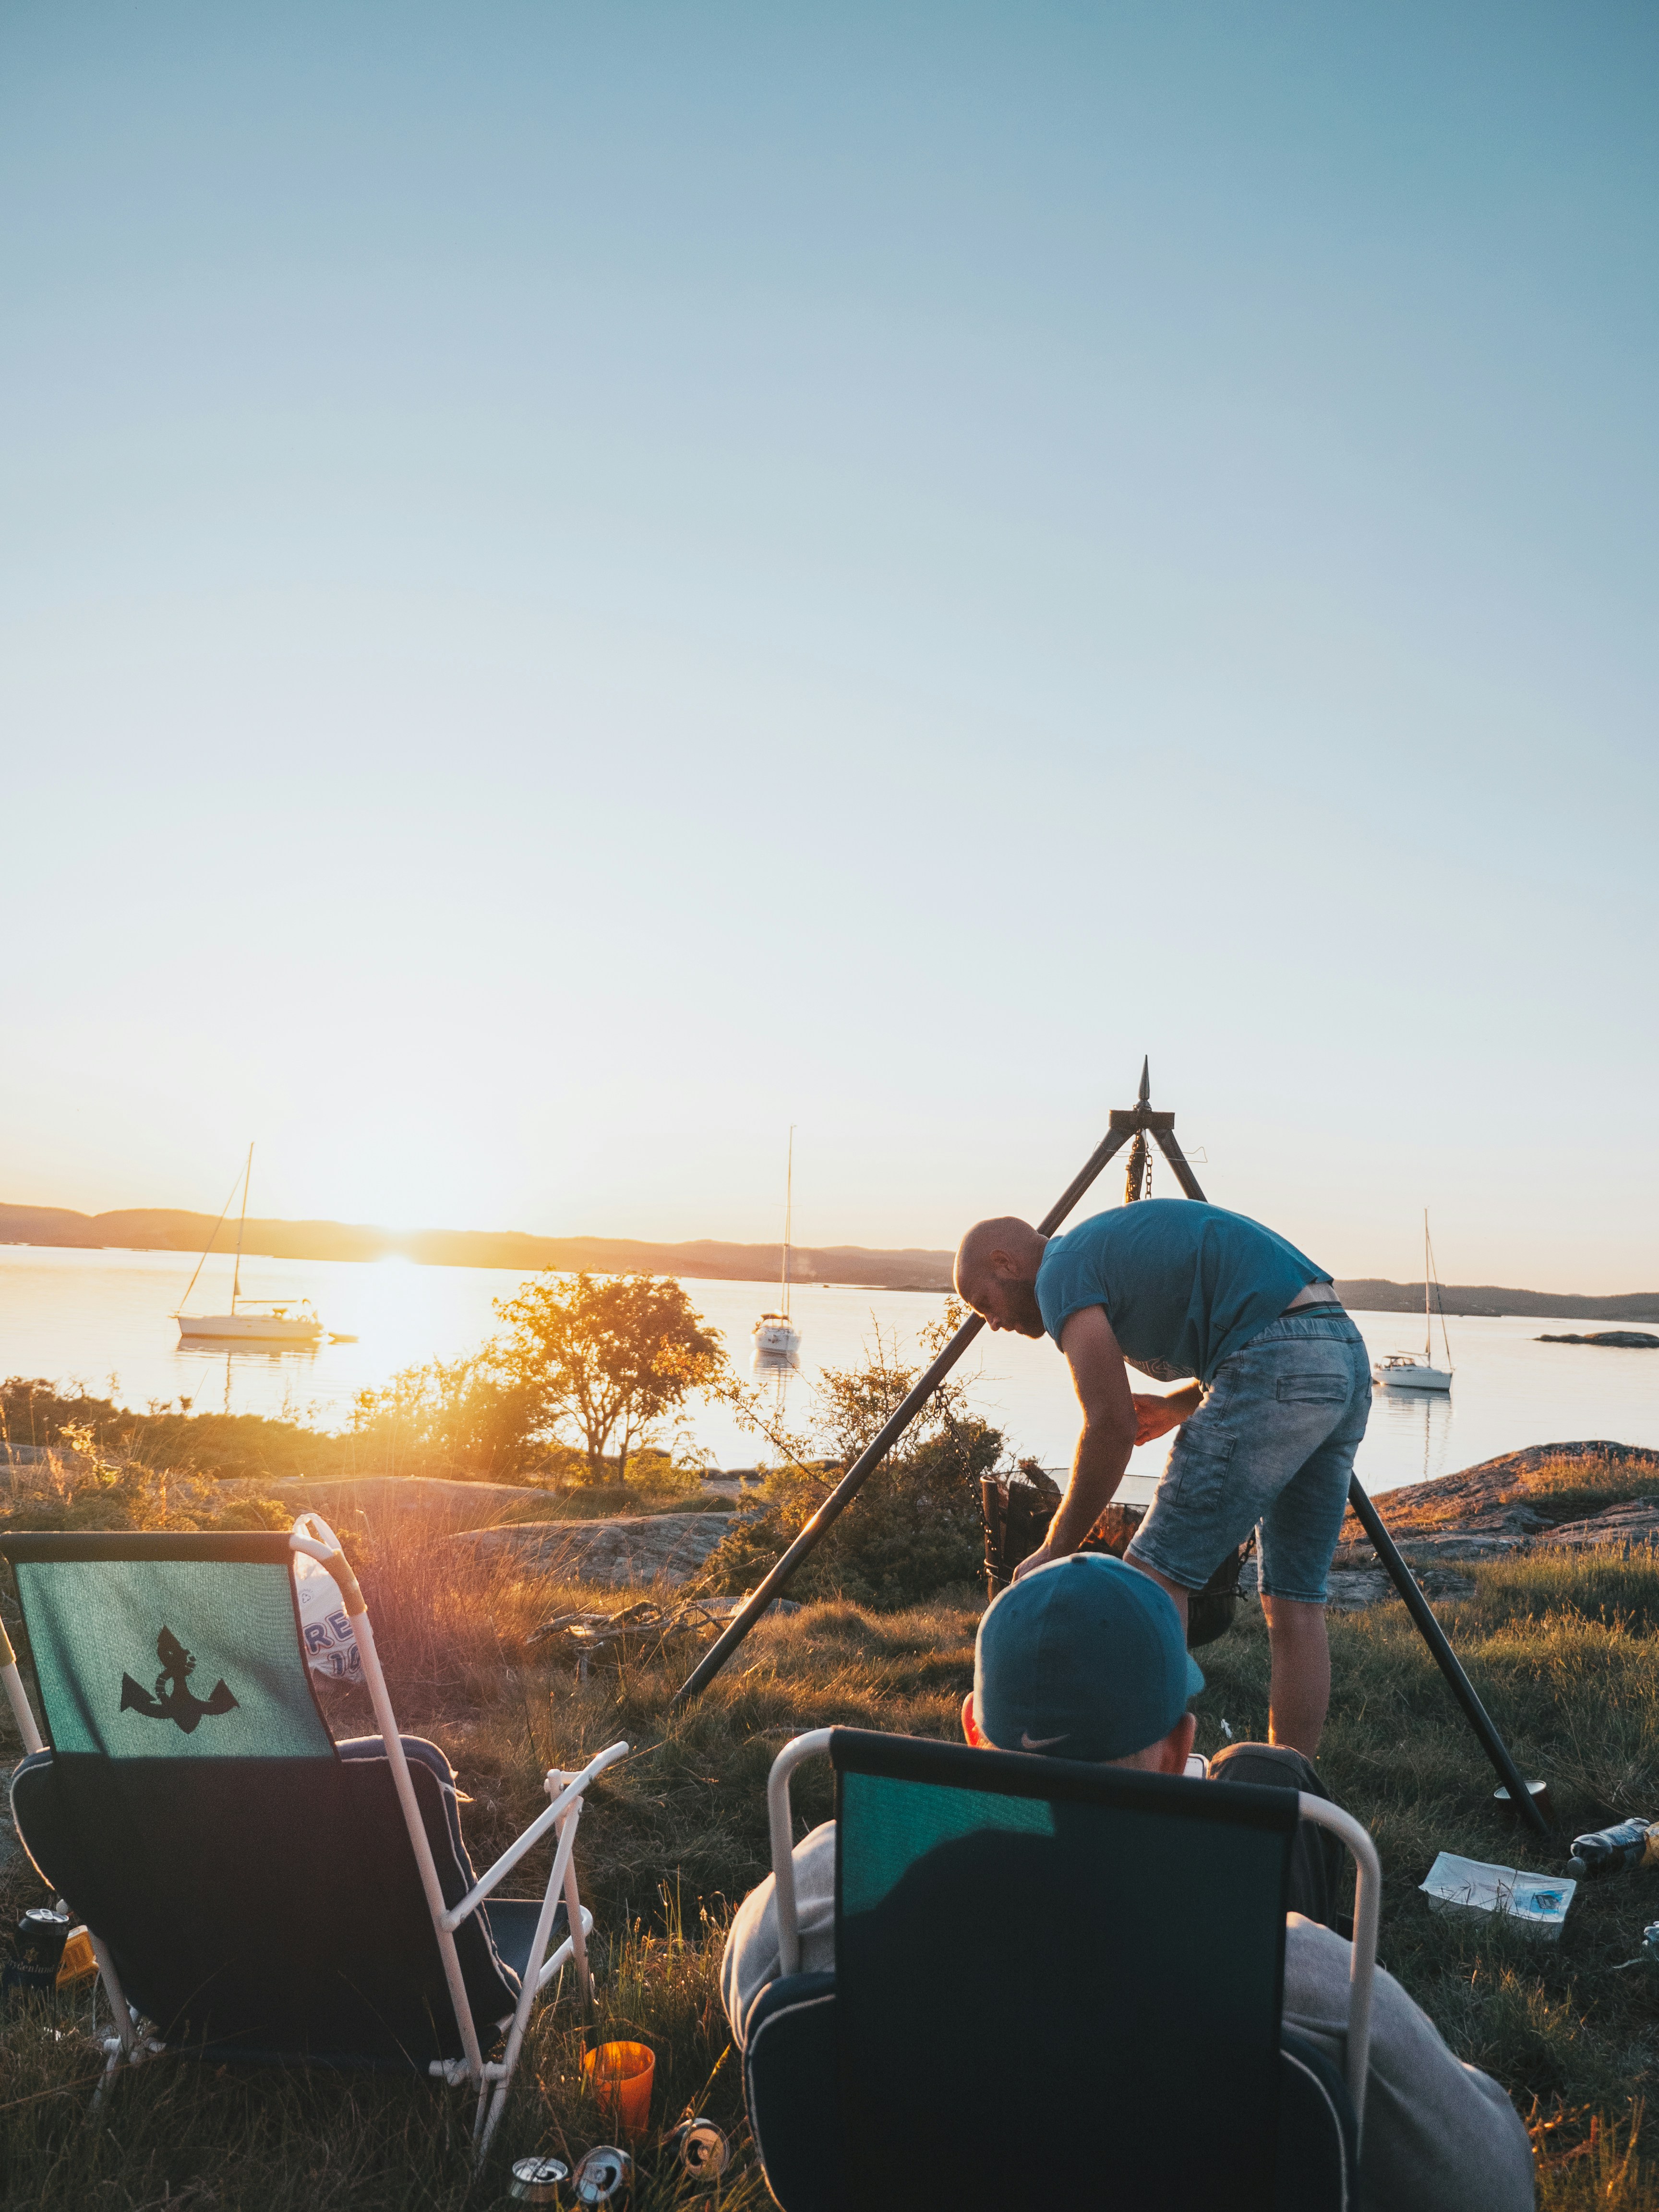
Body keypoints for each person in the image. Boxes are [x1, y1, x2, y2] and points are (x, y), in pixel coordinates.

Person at [722, 1557, 1535, 2212]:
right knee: (1268, 1771)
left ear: (973, 1729)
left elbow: (743, 1997)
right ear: (1177, 1745)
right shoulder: (1300, 1982)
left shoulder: (822, 1896)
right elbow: (1491, 2185)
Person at [952, 1197, 1370, 1753]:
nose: (996, 1323)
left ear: (1007, 1263)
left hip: (1280, 1356)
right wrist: (1179, 1404)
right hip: (1340, 1351)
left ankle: (1149, 1782)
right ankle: (1289, 1788)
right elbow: (1257, 1313)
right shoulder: (1099, 1251)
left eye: (986, 1305)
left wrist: (1056, 1547)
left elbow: (1109, 1424)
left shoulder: (1060, 1269)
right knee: (1295, 1601)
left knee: (1151, 1583)